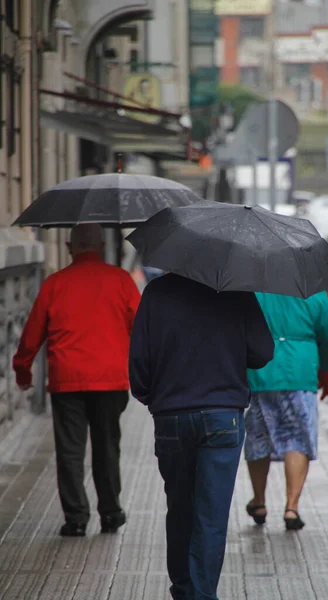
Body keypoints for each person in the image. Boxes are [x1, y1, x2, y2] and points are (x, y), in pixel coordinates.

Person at [129, 273, 274, 600]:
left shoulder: (157, 292)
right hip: (223, 416)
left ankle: (183, 590)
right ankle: (201, 594)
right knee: (211, 514)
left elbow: (139, 360)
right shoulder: (237, 291)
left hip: (171, 416)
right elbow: (262, 352)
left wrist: (151, 397)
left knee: (179, 508)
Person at [13, 224, 141, 537]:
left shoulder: (55, 283)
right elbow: (142, 327)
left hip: (67, 379)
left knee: (70, 450)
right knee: (107, 447)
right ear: (99, 246)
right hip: (110, 380)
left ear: (70, 247)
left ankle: (76, 518)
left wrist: (22, 368)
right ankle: (110, 513)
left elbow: (32, 333)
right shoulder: (121, 280)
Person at [244, 291, 328, 530]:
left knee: (258, 438)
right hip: (300, 370)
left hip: (260, 371)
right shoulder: (312, 291)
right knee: (297, 440)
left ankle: (259, 501)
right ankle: (291, 507)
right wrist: (324, 365)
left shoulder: (252, 288)